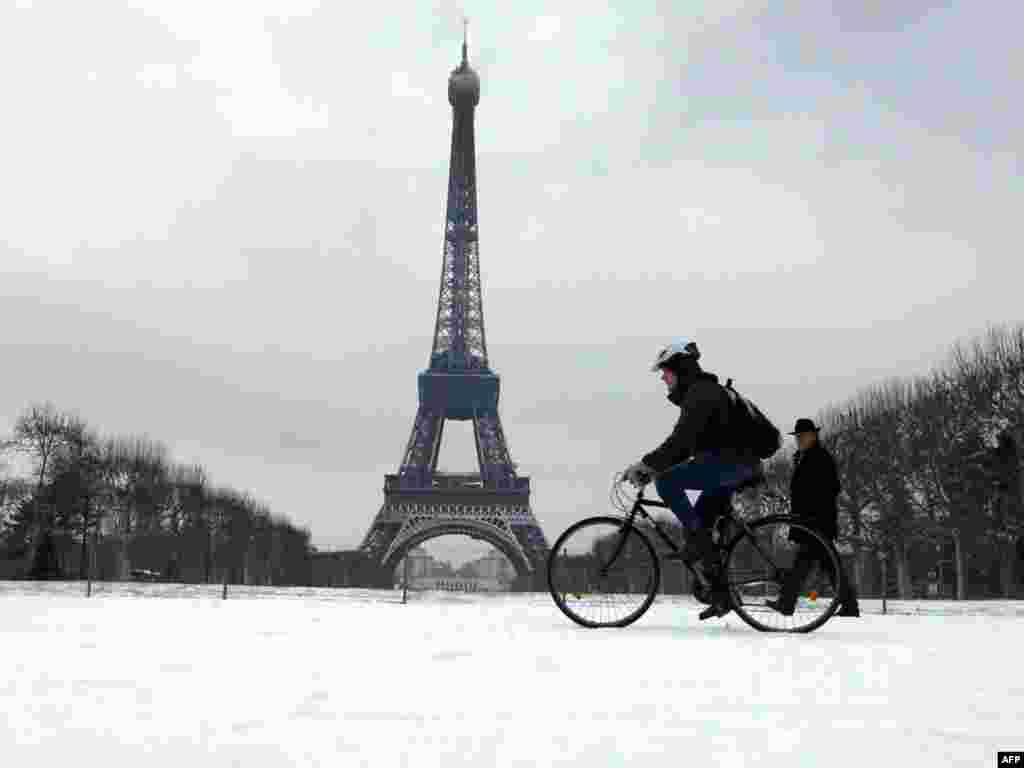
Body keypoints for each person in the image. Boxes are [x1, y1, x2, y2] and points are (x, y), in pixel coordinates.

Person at [623, 339, 762, 621]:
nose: (663, 377)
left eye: (665, 371)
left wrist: (647, 466)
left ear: (680, 369)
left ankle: (701, 546)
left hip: (733, 465)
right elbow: (686, 446)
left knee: (668, 483)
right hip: (734, 464)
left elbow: (681, 442)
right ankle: (721, 593)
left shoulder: (701, 395)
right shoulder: (703, 393)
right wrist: (652, 464)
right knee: (700, 521)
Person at [767, 418, 860, 617]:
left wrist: (811, 505)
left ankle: (786, 603)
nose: (800, 439)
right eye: (798, 436)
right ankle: (849, 605)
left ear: (813, 436)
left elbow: (832, 488)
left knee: (804, 565)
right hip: (811, 521)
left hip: (816, 521)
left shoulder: (819, 457)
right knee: (827, 565)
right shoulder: (805, 456)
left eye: (803, 436)